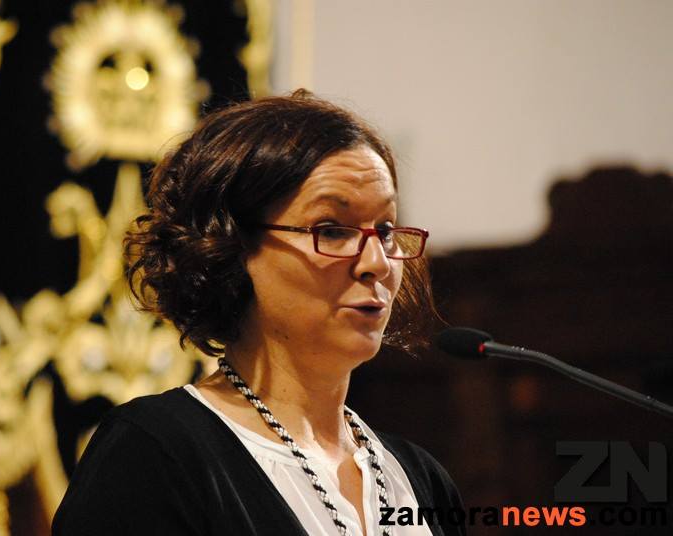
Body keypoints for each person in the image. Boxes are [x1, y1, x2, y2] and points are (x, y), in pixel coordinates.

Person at [52, 90, 465, 535]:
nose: (377, 263)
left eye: (384, 230)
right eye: (331, 230)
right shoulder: (154, 454)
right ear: (229, 246)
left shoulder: (422, 482)